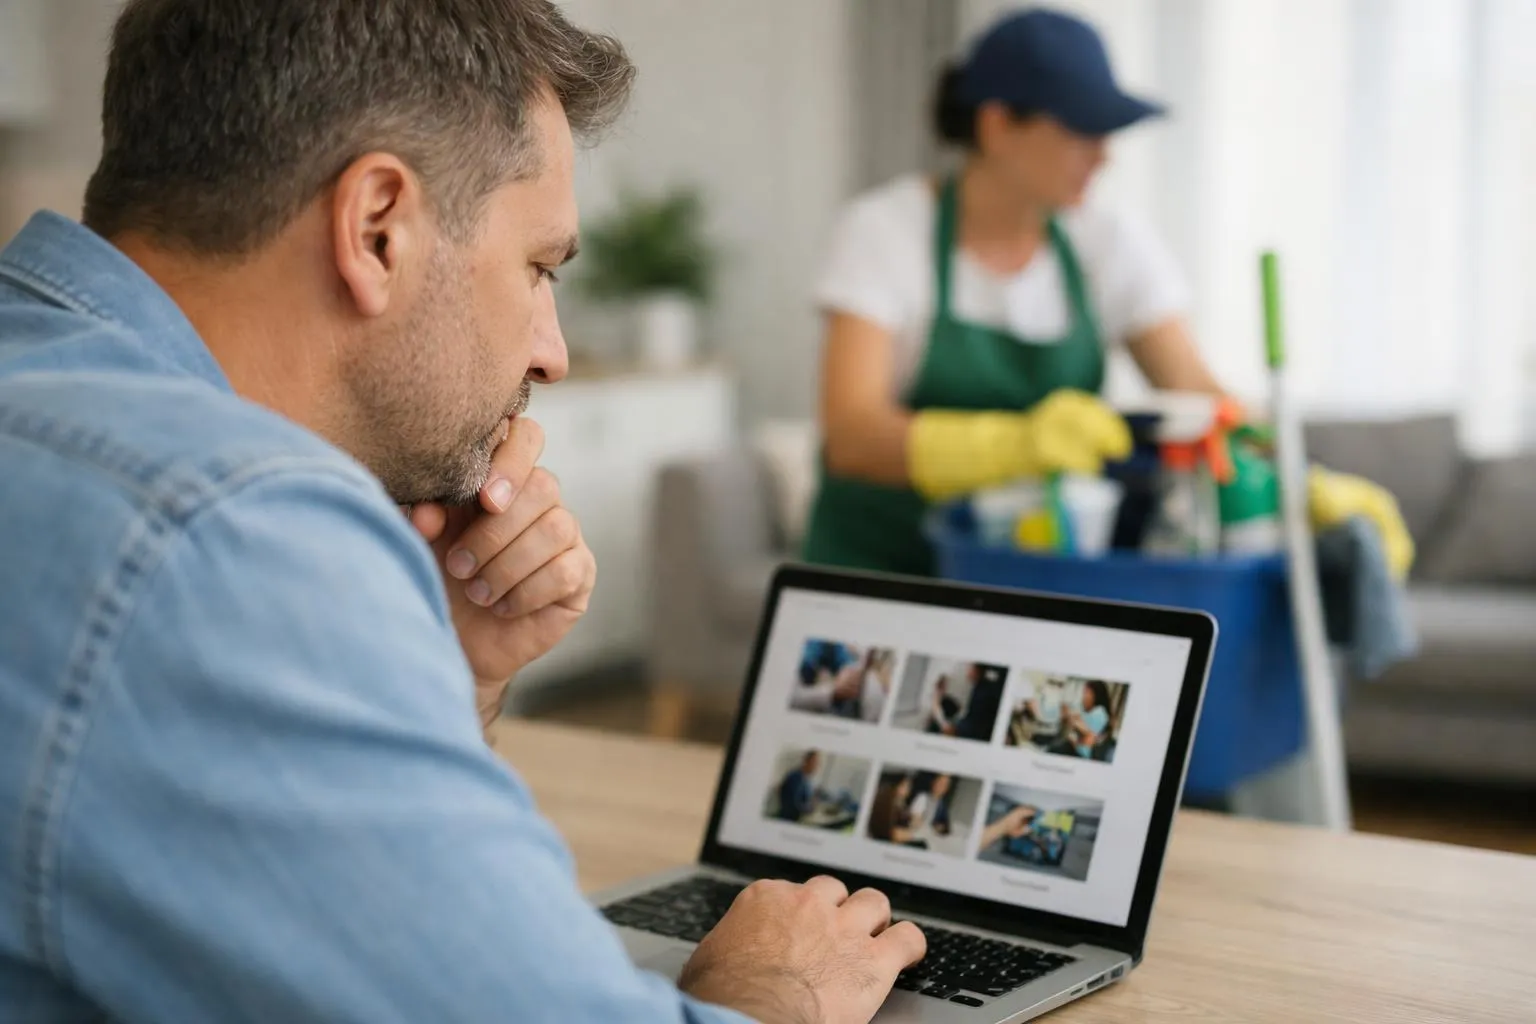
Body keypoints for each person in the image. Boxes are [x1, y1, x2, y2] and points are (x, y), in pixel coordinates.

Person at [0, 3, 924, 1023]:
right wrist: (770, 987)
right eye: (539, 268)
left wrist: (440, 667)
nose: (552, 351)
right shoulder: (219, 536)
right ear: (377, 228)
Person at [799, 6, 1413, 581]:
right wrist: (1018, 444)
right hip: (879, 574)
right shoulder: (884, 232)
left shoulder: (1107, 241)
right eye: (1082, 130)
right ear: (997, 125)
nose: (1103, 157)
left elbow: (1197, 396)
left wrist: (1298, 482)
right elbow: (852, 434)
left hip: (1024, 578)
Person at [867, 775, 922, 847]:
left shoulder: (900, 803)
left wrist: (912, 818)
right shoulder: (886, 804)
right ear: (896, 786)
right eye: (905, 786)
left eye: (909, 787)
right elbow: (893, 834)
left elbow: (907, 819)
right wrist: (914, 834)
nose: (908, 790)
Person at [776, 751, 822, 823]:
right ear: (806, 761)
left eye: (817, 763)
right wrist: (810, 808)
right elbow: (795, 804)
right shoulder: (795, 777)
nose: (816, 766)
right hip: (787, 819)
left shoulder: (806, 779)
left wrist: (812, 801)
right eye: (814, 762)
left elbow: (806, 798)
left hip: (798, 818)